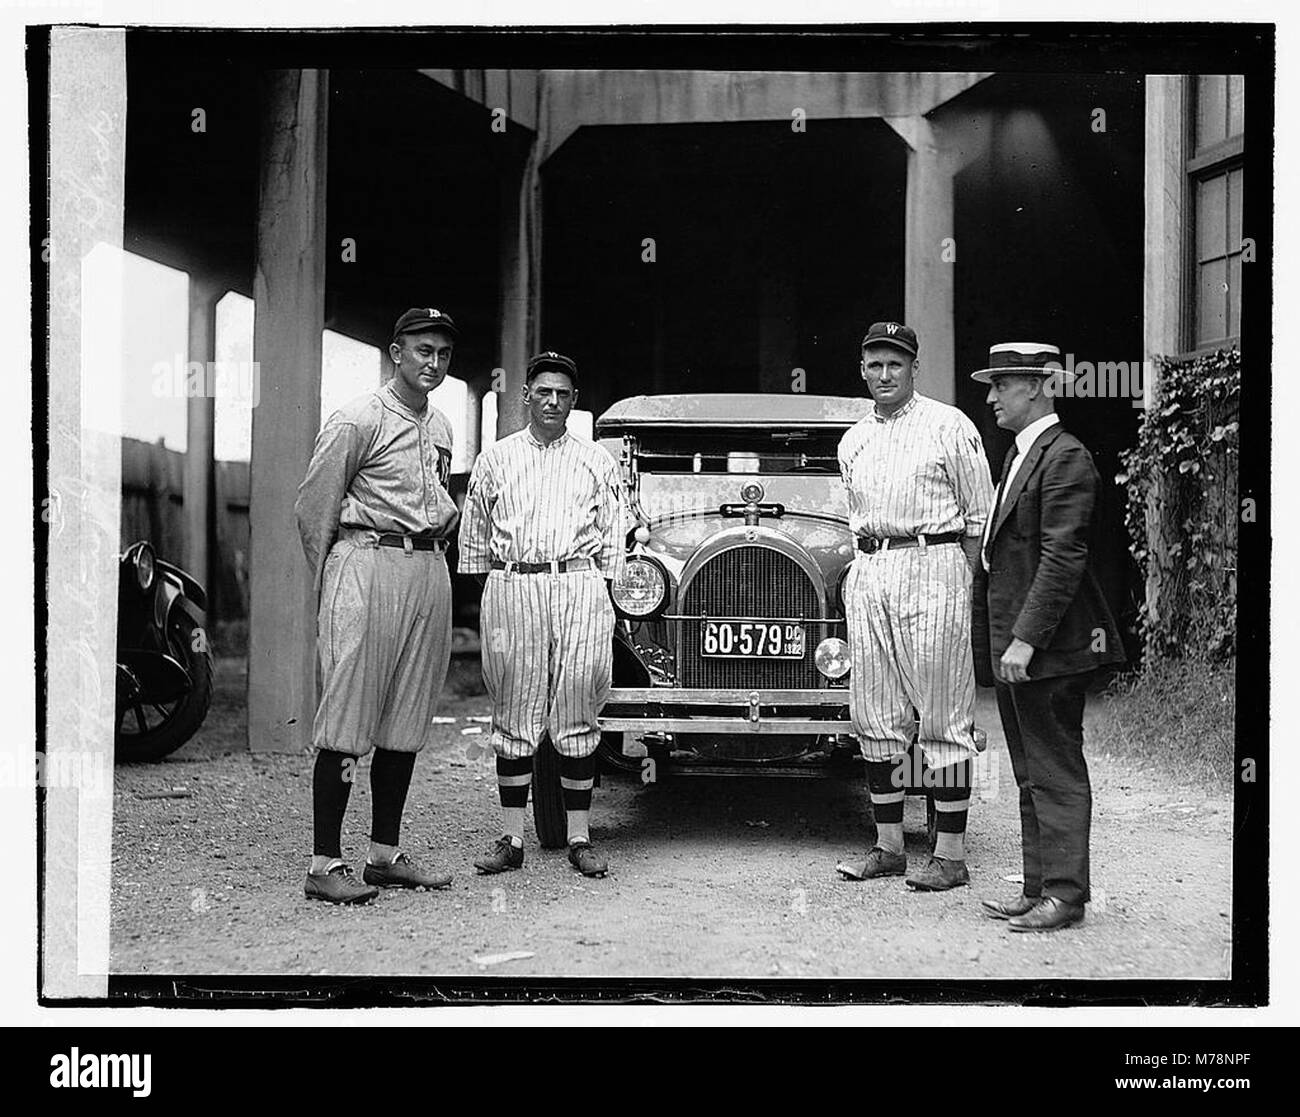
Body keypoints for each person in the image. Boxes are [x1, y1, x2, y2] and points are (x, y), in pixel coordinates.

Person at [294, 307, 461, 904]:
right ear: (397, 352)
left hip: (426, 565)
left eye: (442, 353)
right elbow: (314, 510)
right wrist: (336, 584)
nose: (433, 362)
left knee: (407, 718)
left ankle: (384, 855)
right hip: (367, 559)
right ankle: (323, 863)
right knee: (347, 716)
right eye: (422, 350)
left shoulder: (440, 424)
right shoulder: (356, 417)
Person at [971, 342, 1126, 932]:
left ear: (1037, 386)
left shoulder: (1065, 458)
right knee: (1030, 769)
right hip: (1023, 645)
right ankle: (1039, 887)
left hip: (1049, 650)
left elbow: (1063, 559)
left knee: (1055, 768)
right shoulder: (1020, 454)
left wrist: (1026, 641)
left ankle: (1065, 895)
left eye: (1001, 386)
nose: (991, 398)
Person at [835, 321, 994, 891]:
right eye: (874, 364)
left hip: (934, 561)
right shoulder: (852, 440)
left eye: (895, 364)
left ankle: (950, 855)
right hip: (873, 565)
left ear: (913, 368)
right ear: (862, 368)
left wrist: (960, 583)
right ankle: (889, 846)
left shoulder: (950, 426)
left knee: (944, 716)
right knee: (875, 715)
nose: (884, 374)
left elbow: (981, 517)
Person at [457, 351, 627, 878]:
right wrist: (500, 585)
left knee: (578, 702)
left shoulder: (597, 459)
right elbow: (475, 543)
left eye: (563, 393)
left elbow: (615, 535)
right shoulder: (496, 458)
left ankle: (579, 835)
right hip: (514, 582)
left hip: (578, 581)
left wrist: (599, 588)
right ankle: (511, 838)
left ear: (574, 402)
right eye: (543, 391)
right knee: (513, 707)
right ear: (526, 395)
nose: (553, 400)